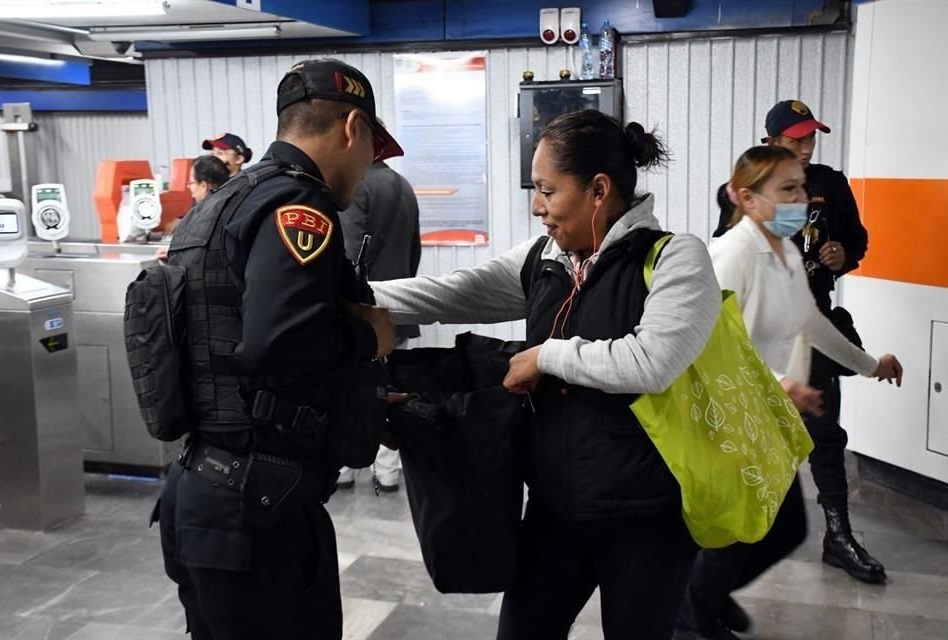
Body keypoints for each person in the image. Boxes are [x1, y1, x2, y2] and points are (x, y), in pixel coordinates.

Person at [372, 109, 723, 640]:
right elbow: (459, 291)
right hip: (557, 509)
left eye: (546, 190)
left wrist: (546, 355)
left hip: (646, 519)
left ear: (598, 190)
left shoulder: (675, 258)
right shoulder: (548, 257)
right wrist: (358, 298)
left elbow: (652, 361)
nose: (537, 206)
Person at [155, 58, 403, 640]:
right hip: (256, 510)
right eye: (372, 150)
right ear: (351, 130)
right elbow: (279, 343)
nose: (366, 171)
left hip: (204, 491)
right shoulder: (299, 207)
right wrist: (372, 335)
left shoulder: (218, 204)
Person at [675, 145, 904, 640]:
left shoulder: (785, 254)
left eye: (801, 187)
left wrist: (871, 365)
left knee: (777, 529)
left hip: (763, 418)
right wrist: (782, 384)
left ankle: (705, 600)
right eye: (787, 189)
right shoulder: (731, 255)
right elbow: (713, 344)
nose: (801, 199)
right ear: (746, 197)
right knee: (744, 533)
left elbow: (811, 323)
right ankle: (692, 620)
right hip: (725, 420)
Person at [713, 100, 884, 585]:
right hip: (762, 332)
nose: (806, 149)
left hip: (811, 318)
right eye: (796, 140)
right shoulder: (745, 196)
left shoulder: (831, 183)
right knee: (753, 452)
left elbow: (858, 242)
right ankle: (716, 570)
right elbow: (727, 280)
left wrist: (843, 255)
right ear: (771, 144)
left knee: (826, 436)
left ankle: (838, 536)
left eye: (811, 139)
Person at [336, 147, 421, 492]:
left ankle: (343, 466)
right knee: (391, 383)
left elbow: (349, 252)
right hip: (398, 302)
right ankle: (387, 471)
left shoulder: (357, 186)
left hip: (364, 308)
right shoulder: (403, 185)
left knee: (351, 383)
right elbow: (414, 249)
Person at [156, 155, 232, 260]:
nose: (189, 188)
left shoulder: (206, 216)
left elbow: (196, 257)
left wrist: (174, 254)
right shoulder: (234, 204)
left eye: (191, 183)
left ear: (204, 186)